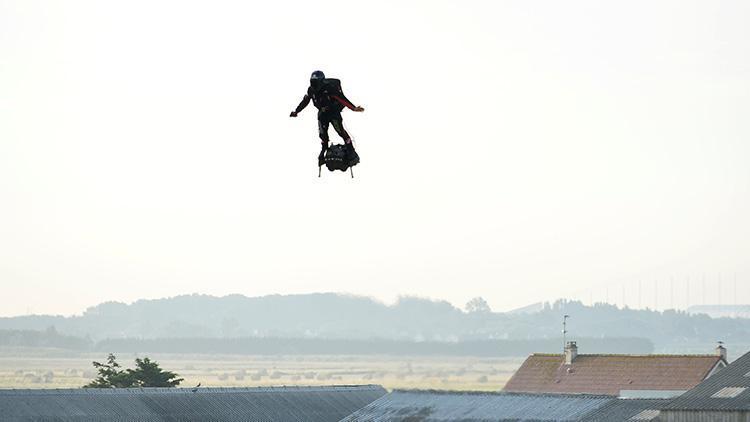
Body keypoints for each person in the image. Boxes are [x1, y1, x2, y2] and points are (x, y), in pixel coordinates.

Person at [290, 70, 364, 167]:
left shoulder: (330, 88)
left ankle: (350, 150)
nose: (314, 84)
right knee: (323, 134)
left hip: (333, 112)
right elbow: (305, 101)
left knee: (340, 131)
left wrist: (353, 108)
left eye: (316, 82)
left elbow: (341, 98)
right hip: (322, 114)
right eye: (312, 82)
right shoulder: (311, 90)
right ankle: (323, 149)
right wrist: (296, 111)